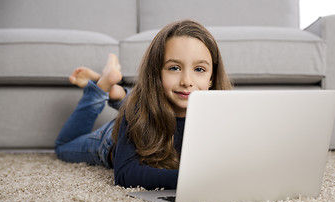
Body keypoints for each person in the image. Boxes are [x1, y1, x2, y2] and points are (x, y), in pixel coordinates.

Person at [55, 20, 232, 190]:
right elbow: (124, 174)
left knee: (149, 98)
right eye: (174, 68)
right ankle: (101, 88)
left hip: (152, 105)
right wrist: (187, 178)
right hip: (113, 138)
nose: (187, 81)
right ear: (156, 72)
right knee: (63, 147)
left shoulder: (222, 112)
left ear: (211, 78)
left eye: (199, 69)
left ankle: (117, 92)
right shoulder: (136, 110)